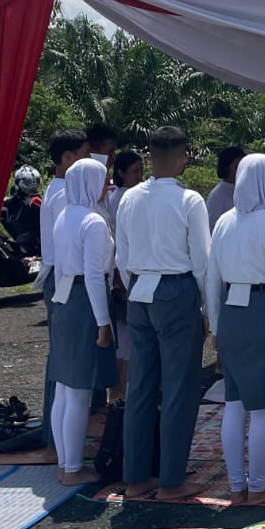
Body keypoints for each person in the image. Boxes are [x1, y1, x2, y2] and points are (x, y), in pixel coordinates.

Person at [115, 125, 210, 501]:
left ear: (149, 156)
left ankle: (135, 477)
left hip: (139, 290)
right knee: (178, 389)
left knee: (139, 387)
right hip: (175, 290)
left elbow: (121, 255)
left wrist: (136, 283)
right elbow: (202, 261)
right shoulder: (190, 200)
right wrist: (206, 308)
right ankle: (171, 480)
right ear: (183, 158)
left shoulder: (130, 198)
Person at [207, 153, 265, 505]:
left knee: (234, 402)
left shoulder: (224, 222)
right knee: (262, 408)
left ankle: (236, 487)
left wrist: (216, 325)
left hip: (231, 313)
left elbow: (212, 279)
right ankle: (258, 488)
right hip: (263, 313)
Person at [48, 158, 117, 485]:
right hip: (84, 302)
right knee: (79, 391)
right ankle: (73, 468)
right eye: (102, 180)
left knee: (64, 388)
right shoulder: (93, 221)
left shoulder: (64, 215)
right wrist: (103, 322)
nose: (107, 186)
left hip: (64, 299)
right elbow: (93, 275)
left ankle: (66, 463)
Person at [39, 128, 91, 439]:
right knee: (67, 369)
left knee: (64, 365)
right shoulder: (63, 194)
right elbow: (69, 245)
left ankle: (59, 435)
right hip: (66, 279)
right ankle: (56, 436)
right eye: (86, 156)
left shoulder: (58, 189)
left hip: (62, 278)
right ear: (68, 158)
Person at [106, 150, 144, 400]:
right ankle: (119, 394)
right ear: (121, 172)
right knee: (125, 340)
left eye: (141, 171)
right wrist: (121, 279)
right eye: (135, 171)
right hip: (122, 274)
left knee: (125, 340)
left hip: (123, 271)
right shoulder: (121, 198)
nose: (140, 176)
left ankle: (120, 393)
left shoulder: (123, 197)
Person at [206, 146, 244, 231]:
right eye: (237, 167)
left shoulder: (247, 190)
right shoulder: (217, 196)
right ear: (225, 168)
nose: (242, 170)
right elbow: (212, 228)